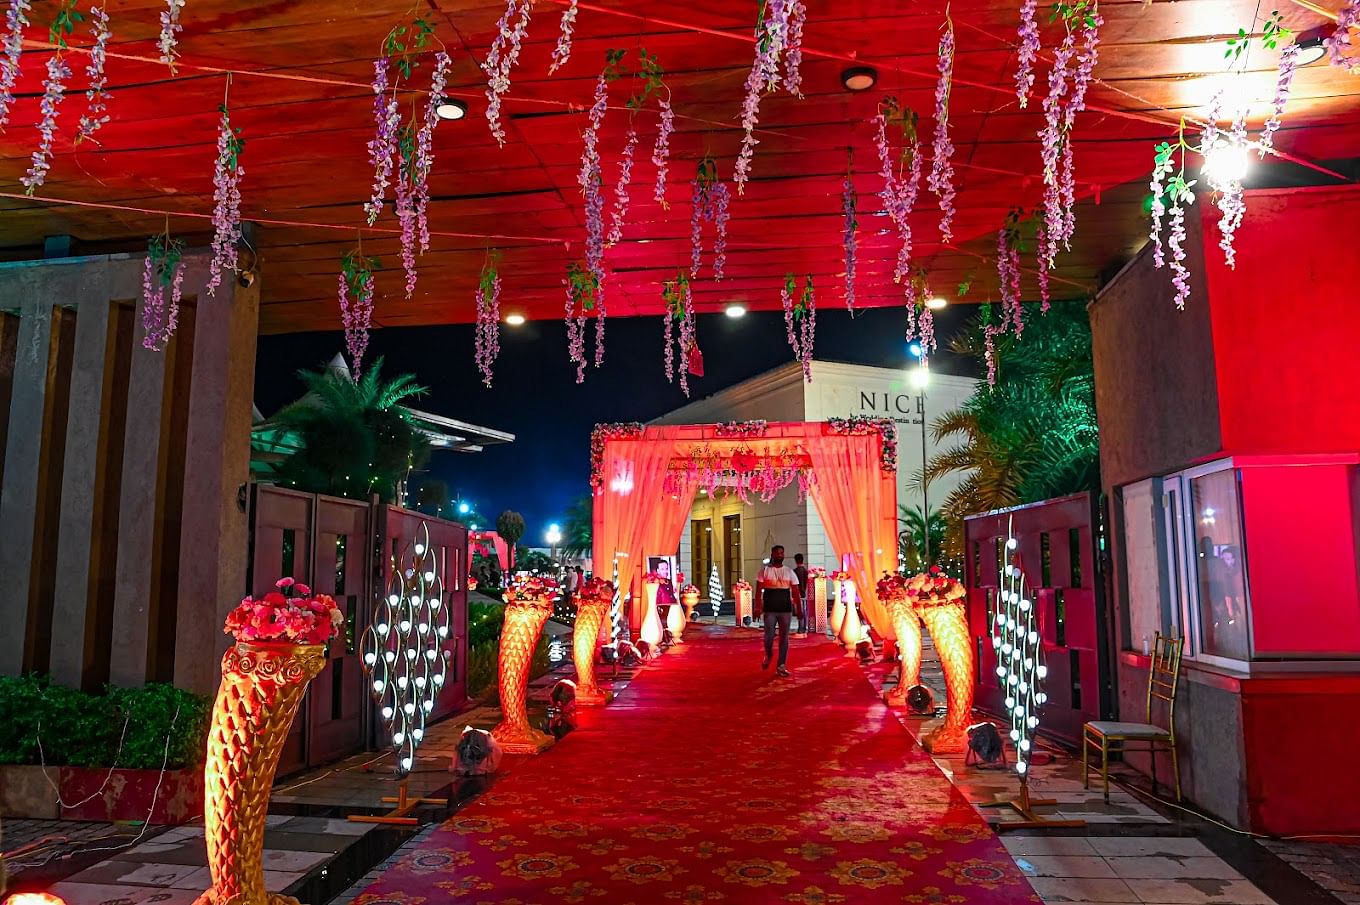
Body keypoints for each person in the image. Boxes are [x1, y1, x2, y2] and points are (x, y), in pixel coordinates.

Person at [756, 545, 801, 677]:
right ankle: (769, 654)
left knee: (784, 638)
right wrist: (757, 607)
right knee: (768, 637)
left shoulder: (789, 572)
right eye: (777, 553)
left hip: (785, 610)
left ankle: (781, 665)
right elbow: (758, 591)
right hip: (769, 610)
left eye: (782, 553)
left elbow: (796, 592)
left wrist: (799, 610)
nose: (780, 555)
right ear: (772, 554)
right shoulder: (764, 571)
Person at [793, 553, 810, 636]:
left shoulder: (795, 571)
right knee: (805, 611)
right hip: (805, 594)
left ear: (796, 561)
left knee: (800, 611)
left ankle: (801, 628)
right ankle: (804, 628)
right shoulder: (806, 571)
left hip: (798, 594)